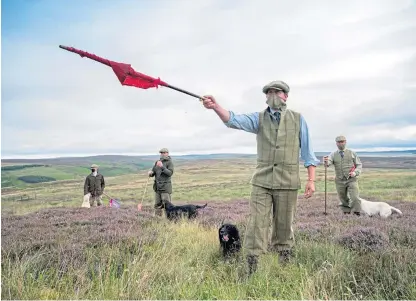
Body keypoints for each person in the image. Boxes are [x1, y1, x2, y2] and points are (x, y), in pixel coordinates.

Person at [201, 80, 320, 275]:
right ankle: (252, 266)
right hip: (262, 182)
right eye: (269, 92)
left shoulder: (298, 119)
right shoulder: (258, 118)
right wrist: (215, 107)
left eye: (277, 92)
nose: (273, 95)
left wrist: (311, 180)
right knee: (257, 223)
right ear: (266, 96)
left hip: (288, 181)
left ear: (286, 96)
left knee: (284, 223)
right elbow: (233, 119)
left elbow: (308, 152)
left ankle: (285, 264)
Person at [323, 136, 363, 215]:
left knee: (355, 197)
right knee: (343, 197)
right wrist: (326, 161)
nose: (340, 143)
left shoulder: (352, 153)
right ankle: (346, 212)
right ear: (336, 143)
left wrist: (355, 173)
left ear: (345, 142)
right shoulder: (333, 154)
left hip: (352, 179)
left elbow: (359, 165)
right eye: (339, 142)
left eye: (342, 142)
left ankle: (356, 212)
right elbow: (328, 164)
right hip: (339, 180)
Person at [148, 148, 174, 216]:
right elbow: (153, 172)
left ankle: (169, 219)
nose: (162, 154)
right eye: (161, 153)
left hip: (165, 188)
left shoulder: (169, 162)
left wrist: (162, 167)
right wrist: (151, 173)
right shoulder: (157, 162)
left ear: (167, 153)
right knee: (157, 205)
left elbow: (170, 173)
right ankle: (158, 219)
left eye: (164, 153)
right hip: (157, 188)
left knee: (167, 206)